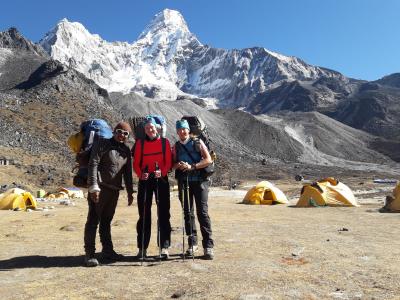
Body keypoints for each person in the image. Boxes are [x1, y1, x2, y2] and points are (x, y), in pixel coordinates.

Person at [84, 121, 134, 267]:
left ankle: (108, 251)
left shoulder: (126, 150)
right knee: (93, 221)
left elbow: (128, 174)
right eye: (119, 131)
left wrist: (130, 192)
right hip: (100, 189)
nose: (121, 135)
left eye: (125, 133)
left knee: (106, 221)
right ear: (114, 131)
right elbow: (93, 163)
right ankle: (89, 254)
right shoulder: (102, 144)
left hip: (114, 191)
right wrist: (93, 186)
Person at [172, 119, 215, 260]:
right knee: (187, 213)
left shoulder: (197, 142)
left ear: (188, 130)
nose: (182, 132)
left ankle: (208, 246)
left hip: (200, 182)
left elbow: (208, 160)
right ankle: (192, 244)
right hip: (184, 182)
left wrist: (192, 166)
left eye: (184, 129)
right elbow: (172, 164)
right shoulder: (176, 146)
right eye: (180, 130)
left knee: (202, 212)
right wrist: (178, 164)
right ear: (177, 131)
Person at [132, 117, 172, 259]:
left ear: (157, 128)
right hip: (145, 179)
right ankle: (142, 248)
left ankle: (164, 247)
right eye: (147, 128)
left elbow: (168, 162)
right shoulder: (139, 144)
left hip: (161, 179)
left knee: (163, 213)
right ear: (144, 130)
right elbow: (136, 163)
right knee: (144, 214)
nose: (150, 130)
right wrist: (140, 174)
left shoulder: (165, 143)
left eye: (152, 127)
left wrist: (163, 172)